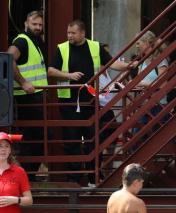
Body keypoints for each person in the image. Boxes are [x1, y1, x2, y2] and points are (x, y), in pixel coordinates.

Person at [47, 20, 133, 187]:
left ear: (82, 33)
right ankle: (75, 179)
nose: (69, 36)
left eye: (73, 33)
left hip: (91, 101)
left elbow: (112, 63)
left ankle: (94, 176)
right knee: (71, 139)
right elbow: (51, 71)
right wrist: (69, 76)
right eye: (68, 33)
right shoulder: (62, 48)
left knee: (94, 139)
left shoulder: (95, 47)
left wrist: (128, 66)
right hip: (69, 102)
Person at [8, 11, 47, 175]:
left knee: (37, 138)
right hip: (27, 99)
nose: (38, 27)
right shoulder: (22, 41)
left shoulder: (34, 41)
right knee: (33, 139)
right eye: (34, 24)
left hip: (35, 97)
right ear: (26, 24)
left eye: (40, 25)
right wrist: (23, 82)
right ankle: (27, 176)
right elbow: (8, 59)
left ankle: (28, 175)